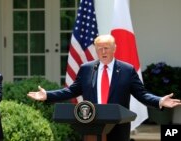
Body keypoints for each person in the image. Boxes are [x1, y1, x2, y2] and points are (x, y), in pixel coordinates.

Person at [27, 34, 181, 141]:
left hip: (118, 127)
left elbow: (141, 94)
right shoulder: (87, 69)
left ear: (114, 48)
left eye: (106, 48)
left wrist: (160, 101)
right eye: (99, 48)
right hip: (92, 125)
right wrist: (47, 95)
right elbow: (71, 91)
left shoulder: (127, 70)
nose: (103, 51)